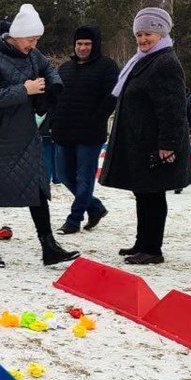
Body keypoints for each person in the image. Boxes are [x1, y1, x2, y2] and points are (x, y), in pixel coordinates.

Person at [0, 4, 79, 268]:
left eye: (36, 40)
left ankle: (49, 246)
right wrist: (25, 89)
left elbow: (49, 68)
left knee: (38, 187)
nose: (34, 44)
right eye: (31, 39)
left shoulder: (32, 54)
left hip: (25, 132)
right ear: (15, 36)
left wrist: (53, 85)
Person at [99, 7, 191, 265]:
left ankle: (153, 249)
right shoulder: (144, 60)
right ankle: (142, 242)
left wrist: (168, 144)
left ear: (161, 34)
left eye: (148, 34)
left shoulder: (165, 63)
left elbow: (172, 108)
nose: (142, 39)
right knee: (143, 193)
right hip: (140, 141)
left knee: (153, 195)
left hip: (154, 143)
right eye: (139, 34)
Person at [51, 25, 119, 234]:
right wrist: (54, 120)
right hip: (64, 131)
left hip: (90, 133)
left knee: (84, 177)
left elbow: (111, 98)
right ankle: (95, 207)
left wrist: (96, 120)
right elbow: (55, 97)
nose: (82, 48)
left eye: (87, 44)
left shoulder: (107, 67)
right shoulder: (64, 68)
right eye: (79, 43)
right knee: (63, 174)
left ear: (95, 45)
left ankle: (74, 219)